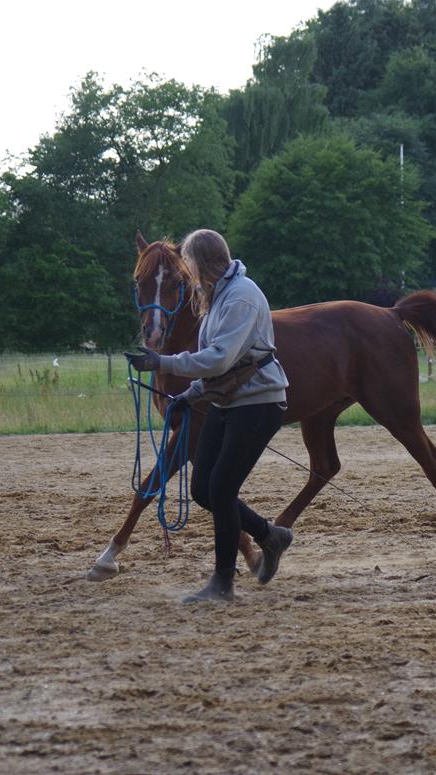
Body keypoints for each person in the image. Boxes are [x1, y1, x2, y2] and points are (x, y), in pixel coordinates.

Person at [127, 229, 292, 603]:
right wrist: (188, 395)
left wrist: (162, 361)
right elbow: (215, 370)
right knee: (203, 489)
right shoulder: (215, 297)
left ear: (202, 262)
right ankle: (271, 535)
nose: (186, 272)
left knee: (221, 488)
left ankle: (223, 583)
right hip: (227, 401)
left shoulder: (242, 297)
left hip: (259, 404)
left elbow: (220, 358)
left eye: (188, 264)